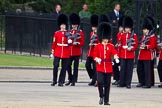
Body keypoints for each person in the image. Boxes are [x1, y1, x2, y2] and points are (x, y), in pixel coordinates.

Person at [93, 22, 119, 105]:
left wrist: (116, 58)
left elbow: (114, 52)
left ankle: (106, 100)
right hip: (100, 67)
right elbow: (94, 55)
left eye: (107, 38)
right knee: (100, 82)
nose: (106, 39)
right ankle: (101, 96)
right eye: (105, 38)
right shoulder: (98, 46)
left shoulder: (110, 46)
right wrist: (97, 59)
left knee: (107, 84)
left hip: (108, 67)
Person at [118, 16, 138, 89]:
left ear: (130, 28)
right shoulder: (122, 35)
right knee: (122, 69)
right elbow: (120, 43)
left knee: (129, 69)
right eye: (125, 28)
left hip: (130, 55)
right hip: (123, 54)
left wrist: (131, 48)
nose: (126, 29)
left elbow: (135, 45)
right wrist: (120, 45)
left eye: (128, 28)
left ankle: (128, 83)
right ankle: (122, 82)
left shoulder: (134, 35)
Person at [136, 16, 156, 88]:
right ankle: (141, 81)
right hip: (141, 55)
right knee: (139, 69)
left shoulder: (152, 36)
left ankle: (148, 83)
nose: (143, 31)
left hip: (147, 55)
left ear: (147, 30)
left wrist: (146, 47)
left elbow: (153, 45)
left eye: (144, 29)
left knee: (147, 70)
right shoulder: (144, 36)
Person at [65, 13, 85, 86]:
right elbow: (66, 39)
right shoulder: (69, 32)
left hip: (76, 52)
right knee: (68, 65)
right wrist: (68, 42)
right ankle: (70, 78)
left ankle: (73, 80)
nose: (74, 26)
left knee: (75, 67)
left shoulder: (80, 32)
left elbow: (82, 42)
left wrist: (77, 43)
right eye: (73, 25)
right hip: (70, 52)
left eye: (75, 25)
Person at [51, 14, 70, 87]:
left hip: (65, 51)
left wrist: (70, 41)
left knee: (64, 68)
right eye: (62, 25)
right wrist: (52, 50)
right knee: (55, 66)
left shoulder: (68, 33)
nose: (63, 26)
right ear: (60, 25)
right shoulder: (57, 33)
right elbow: (54, 42)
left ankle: (61, 81)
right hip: (58, 51)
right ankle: (54, 80)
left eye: (64, 25)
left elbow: (70, 44)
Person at [85, 14, 99, 86]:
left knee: (95, 67)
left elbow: (99, 43)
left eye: (95, 27)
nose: (93, 28)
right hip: (90, 53)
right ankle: (93, 77)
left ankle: (94, 80)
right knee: (87, 65)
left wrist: (95, 44)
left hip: (95, 53)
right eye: (93, 27)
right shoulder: (91, 33)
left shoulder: (99, 34)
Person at [112, 16, 125, 85]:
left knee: (122, 67)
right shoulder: (118, 34)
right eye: (120, 27)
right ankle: (117, 78)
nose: (120, 29)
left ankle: (121, 79)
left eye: (121, 27)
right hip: (118, 53)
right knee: (114, 65)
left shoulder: (125, 34)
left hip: (123, 53)